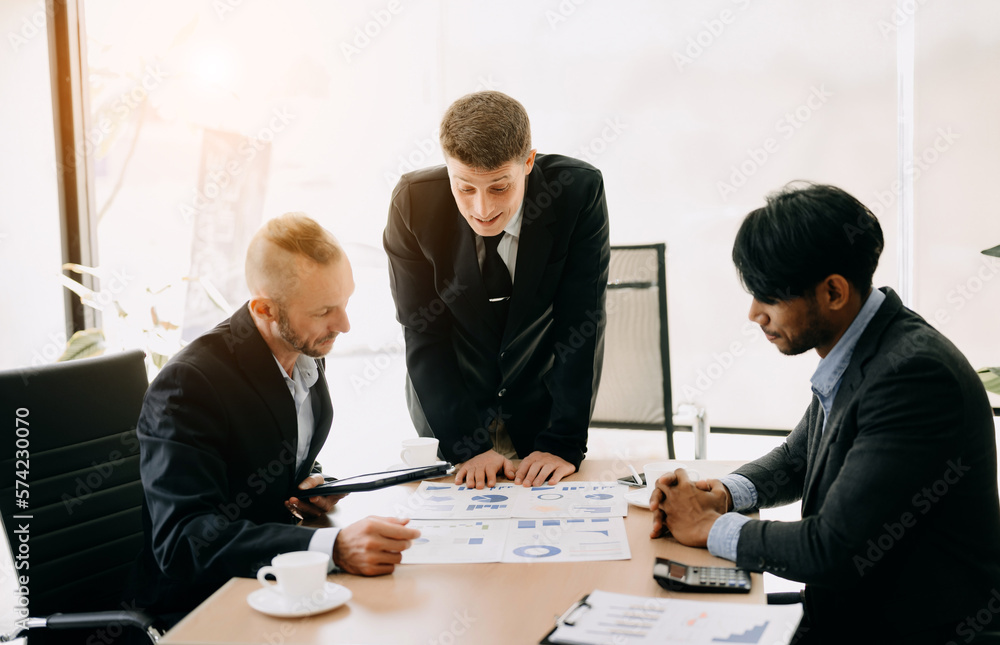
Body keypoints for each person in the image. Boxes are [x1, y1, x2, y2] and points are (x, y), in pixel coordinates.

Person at [650, 183, 1000, 643]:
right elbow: (797, 458)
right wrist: (722, 494)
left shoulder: (913, 376)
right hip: (849, 612)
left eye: (769, 296)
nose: (755, 313)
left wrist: (707, 526)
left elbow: (833, 549)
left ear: (833, 292)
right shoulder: (864, 343)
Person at [126, 213, 420, 625]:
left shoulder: (303, 351)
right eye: (324, 311)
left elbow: (263, 456)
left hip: (282, 586)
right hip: (203, 603)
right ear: (264, 308)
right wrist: (331, 547)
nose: (344, 325)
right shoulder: (187, 386)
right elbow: (184, 541)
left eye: (345, 303)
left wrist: (309, 485)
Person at [383, 91, 610, 490]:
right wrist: (465, 443)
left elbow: (581, 322)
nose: (483, 209)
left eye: (499, 187)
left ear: (528, 162)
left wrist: (563, 440)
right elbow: (423, 333)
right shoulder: (413, 203)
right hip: (451, 413)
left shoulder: (578, 193)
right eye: (464, 188)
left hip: (539, 416)